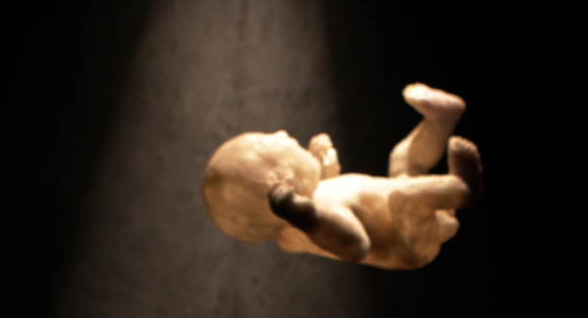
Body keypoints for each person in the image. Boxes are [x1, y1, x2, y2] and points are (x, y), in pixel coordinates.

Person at [201, 83, 483, 270]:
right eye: (274, 142)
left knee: (402, 157)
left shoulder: (316, 201)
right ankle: (463, 188)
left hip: (401, 198)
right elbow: (356, 245)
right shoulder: (309, 224)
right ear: (283, 183)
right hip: (408, 239)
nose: (281, 133)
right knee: (405, 197)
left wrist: (325, 168)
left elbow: (338, 196)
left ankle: (442, 119)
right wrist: (308, 217)